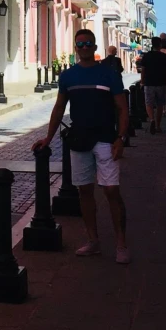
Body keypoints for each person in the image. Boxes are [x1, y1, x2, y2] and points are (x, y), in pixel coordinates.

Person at [33, 27, 130, 262]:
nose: (84, 48)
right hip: (79, 139)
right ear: (75, 48)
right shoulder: (68, 77)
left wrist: (121, 138)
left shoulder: (109, 74)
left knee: (111, 191)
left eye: (89, 44)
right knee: (84, 191)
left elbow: (122, 108)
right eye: (81, 44)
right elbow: (59, 108)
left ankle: (121, 244)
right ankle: (93, 240)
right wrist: (48, 137)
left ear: (95, 48)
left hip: (106, 138)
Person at [137, 39, 166, 133]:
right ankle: (158, 125)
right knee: (160, 104)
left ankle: (152, 119)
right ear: (160, 45)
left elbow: (143, 70)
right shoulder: (164, 57)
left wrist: (142, 81)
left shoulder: (146, 56)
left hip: (149, 83)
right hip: (161, 83)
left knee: (149, 103)